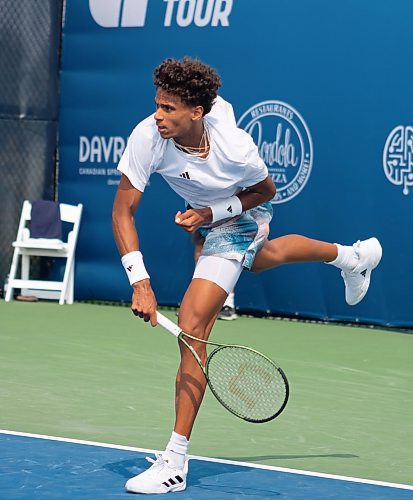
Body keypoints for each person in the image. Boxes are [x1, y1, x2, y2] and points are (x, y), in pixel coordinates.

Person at [112, 57, 382, 494]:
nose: (157, 116)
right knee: (263, 257)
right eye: (157, 105)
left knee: (192, 324)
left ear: (197, 112)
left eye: (169, 109)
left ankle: (175, 462)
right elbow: (123, 210)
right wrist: (139, 281)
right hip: (213, 216)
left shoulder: (235, 146)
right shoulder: (148, 136)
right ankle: (351, 257)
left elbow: (266, 191)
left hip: (241, 212)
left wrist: (210, 212)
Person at [192, 230, 237, 320]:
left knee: (226, 255)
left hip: (227, 223)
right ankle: (196, 304)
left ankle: (227, 305)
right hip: (205, 223)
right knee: (199, 254)